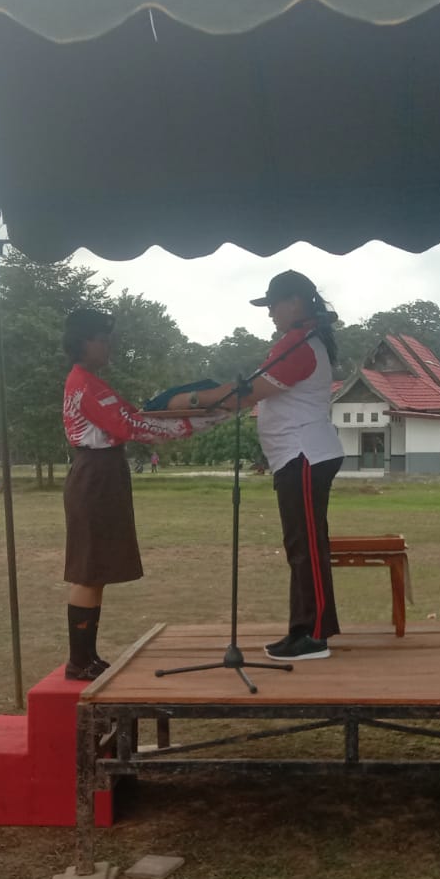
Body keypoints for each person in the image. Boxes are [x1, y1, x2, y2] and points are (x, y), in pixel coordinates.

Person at [170, 270, 346, 662]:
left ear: (295, 303)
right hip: (297, 455)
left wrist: (192, 400)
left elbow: (246, 393)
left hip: (304, 454)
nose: (270, 314)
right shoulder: (297, 342)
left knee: (306, 548)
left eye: (274, 305)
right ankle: (303, 630)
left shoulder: (300, 346)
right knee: (301, 546)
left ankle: (314, 636)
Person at [61, 307, 211, 680]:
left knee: (95, 570)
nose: (108, 344)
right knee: (88, 570)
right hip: (96, 474)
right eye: (102, 338)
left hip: (104, 472)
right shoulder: (85, 385)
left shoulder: (90, 382)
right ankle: (79, 661)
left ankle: (87, 657)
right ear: (84, 342)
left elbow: (132, 414)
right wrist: (199, 422)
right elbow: (131, 425)